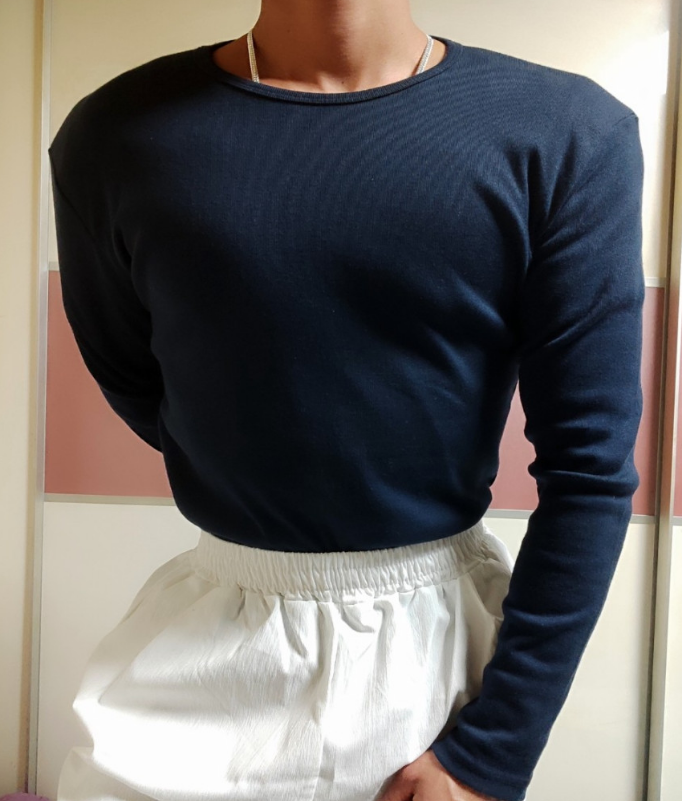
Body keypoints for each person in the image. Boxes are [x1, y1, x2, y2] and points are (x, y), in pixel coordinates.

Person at [47, 1, 645, 800]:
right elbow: (137, 377)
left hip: (431, 664)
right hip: (201, 647)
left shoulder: (568, 132)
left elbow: (590, 470)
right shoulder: (113, 135)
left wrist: (490, 754)